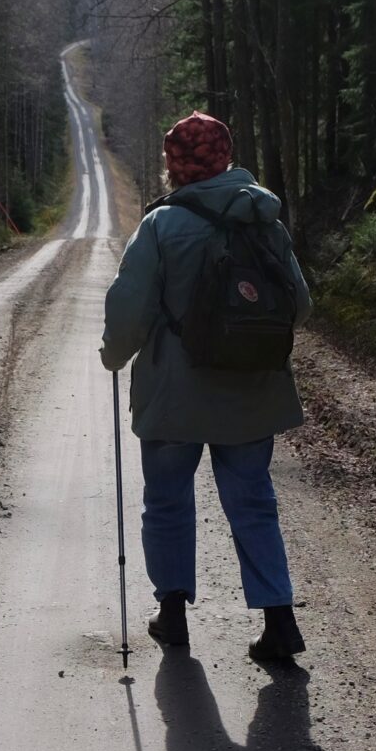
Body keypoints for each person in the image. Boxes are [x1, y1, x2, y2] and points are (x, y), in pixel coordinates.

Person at [99, 111, 313, 661]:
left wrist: (114, 354)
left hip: (175, 391)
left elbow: (130, 309)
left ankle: (172, 616)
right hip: (252, 388)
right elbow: (301, 305)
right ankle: (278, 620)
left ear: (174, 165)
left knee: (167, 499)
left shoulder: (161, 225)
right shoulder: (263, 216)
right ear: (227, 156)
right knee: (253, 501)